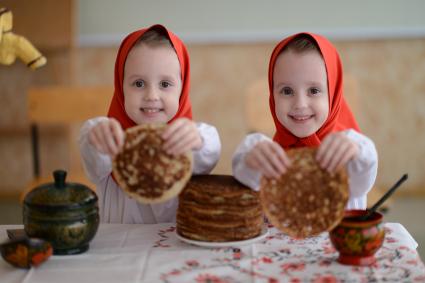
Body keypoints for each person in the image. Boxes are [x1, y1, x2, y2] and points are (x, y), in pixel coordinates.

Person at [79, 25, 221, 223]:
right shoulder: (109, 140)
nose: (152, 96)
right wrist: (97, 135)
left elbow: (210, 153)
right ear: (121, 87)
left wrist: (197, 140)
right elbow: (91, 150)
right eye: (138, 84)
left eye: (165, 84)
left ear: (182, 88)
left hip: (174, 247)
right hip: (119, 247)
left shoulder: (189, 140)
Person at [233, 32, 377, 209]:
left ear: (333, 94)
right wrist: (250, 161)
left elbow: (364, 170)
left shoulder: (351, 150)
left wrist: (356, 151)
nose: (300, 105)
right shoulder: (266, 154)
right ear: (272, 95)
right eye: (287, 91)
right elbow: (244, 174)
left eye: (314, 91)